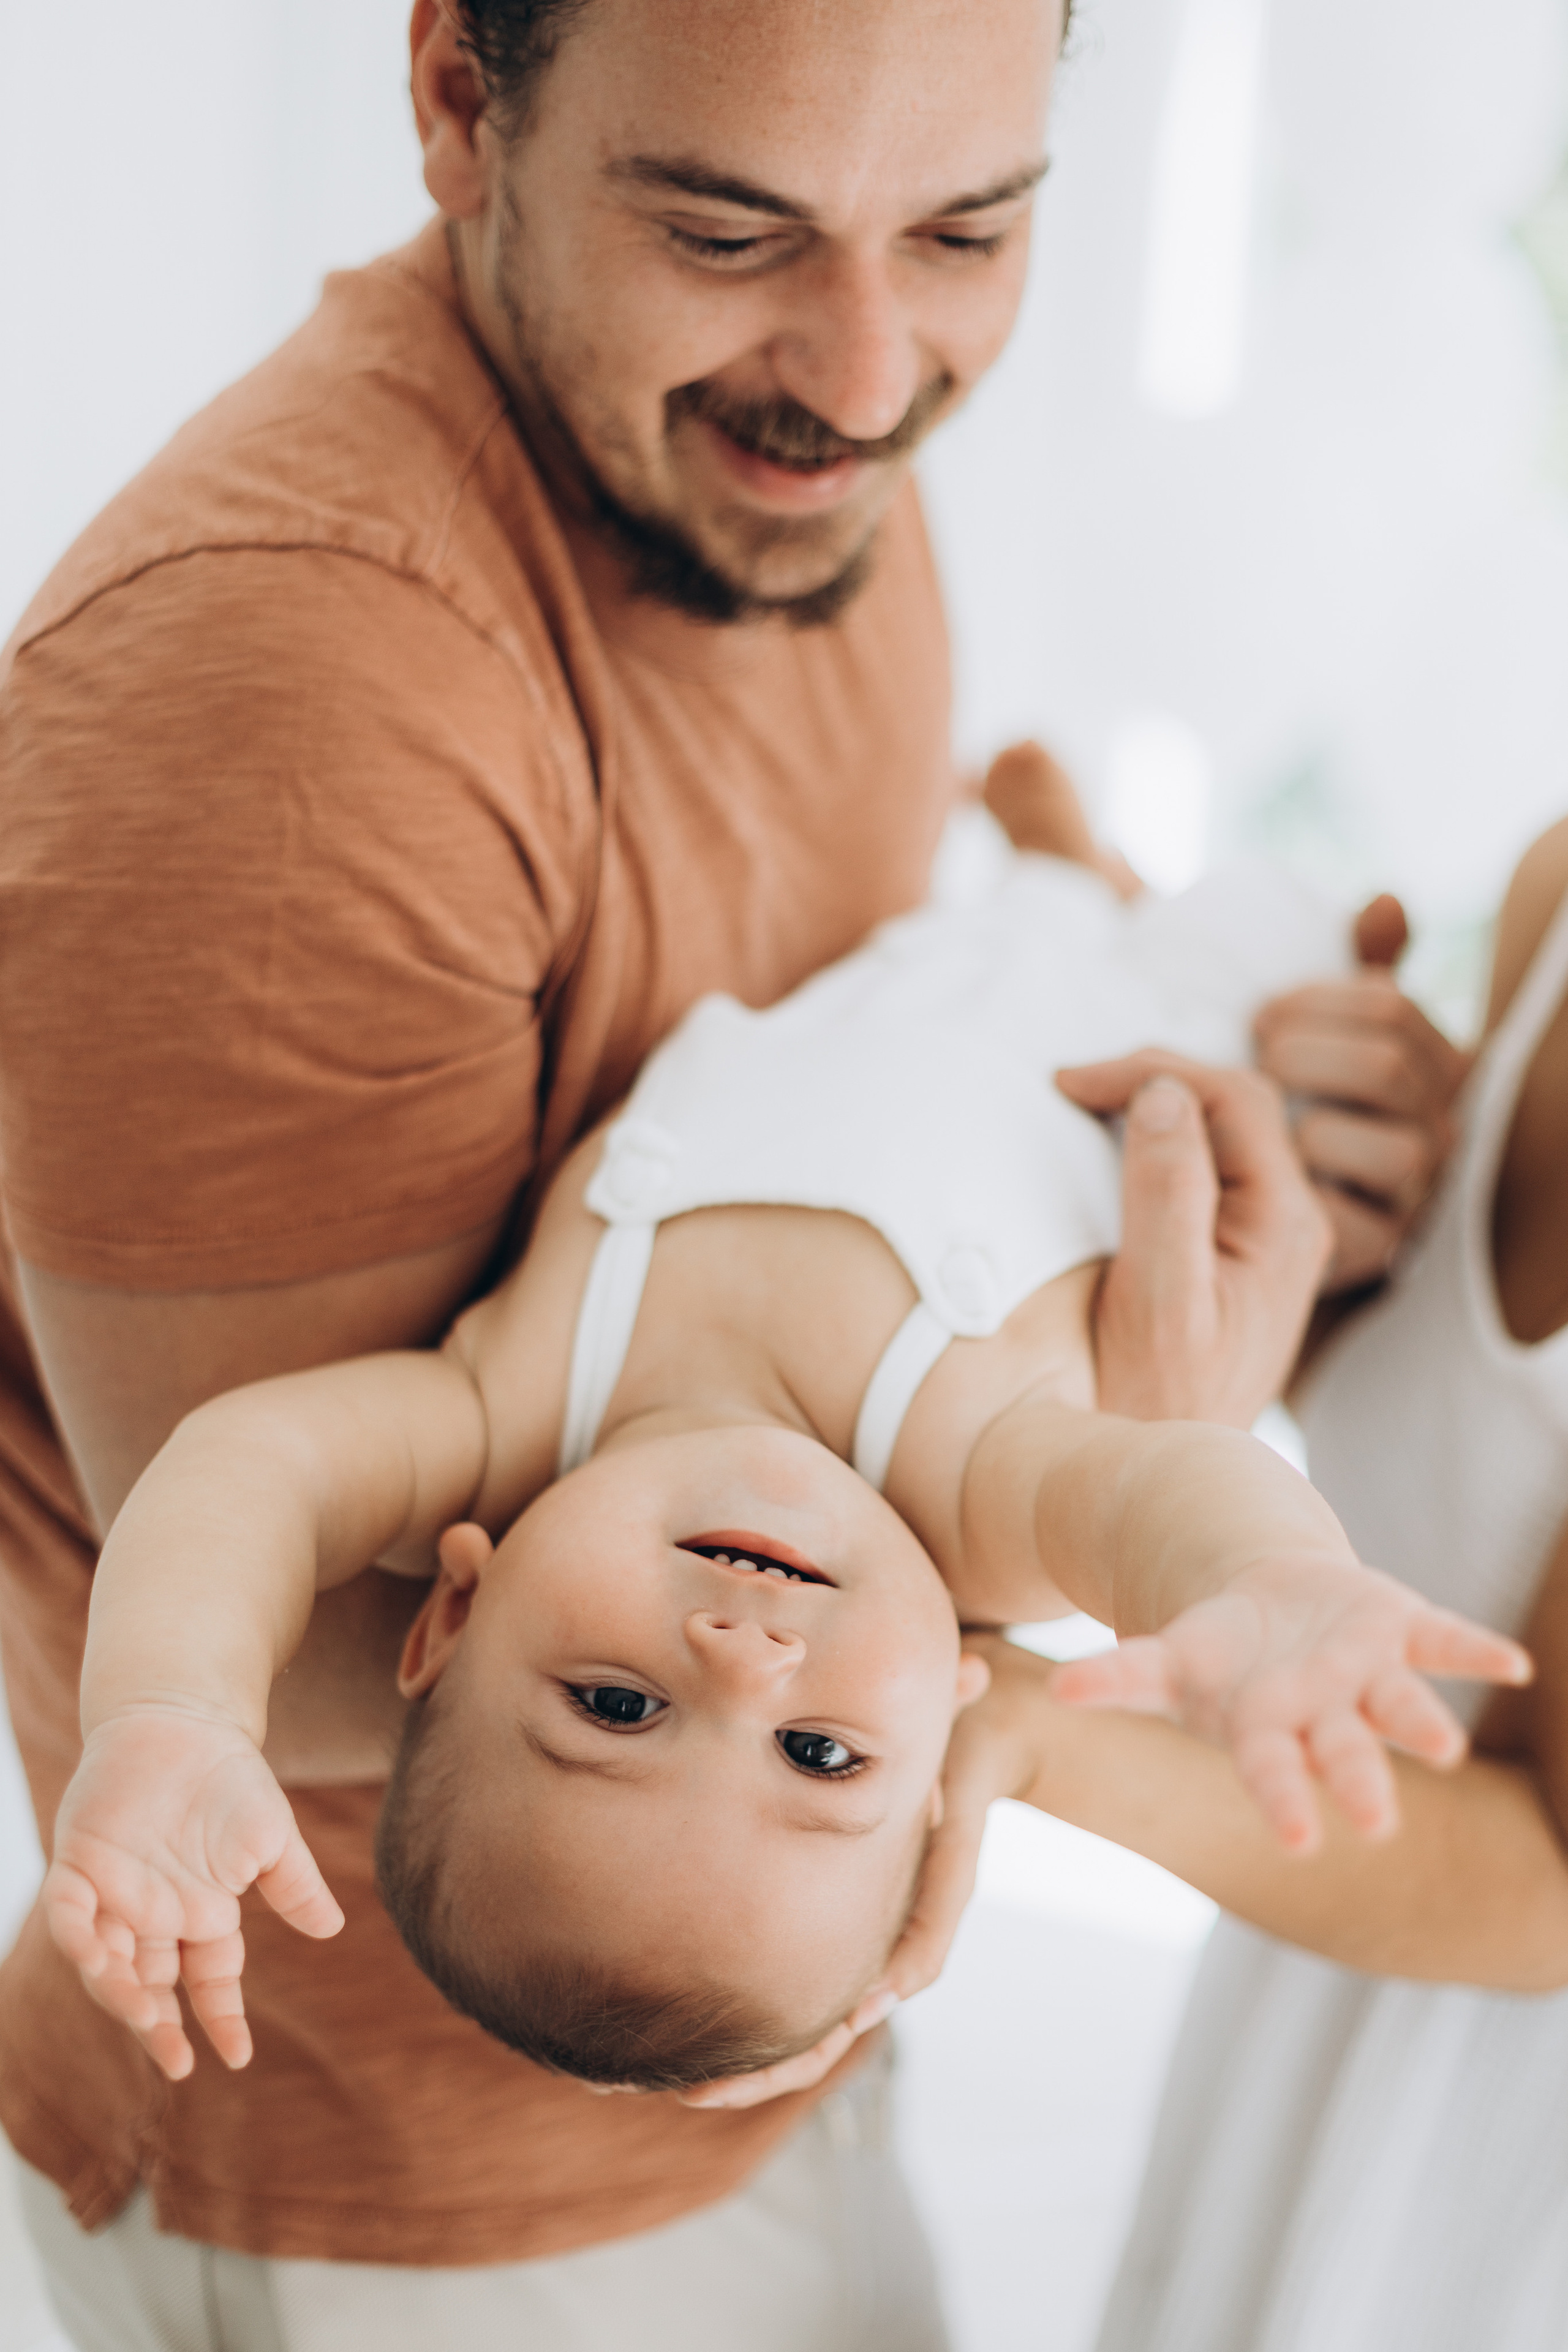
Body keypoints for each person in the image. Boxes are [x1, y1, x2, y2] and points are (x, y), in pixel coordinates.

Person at [0, 1, 1455, 2345]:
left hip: (782, 2056)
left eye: (972, 225)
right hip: (420, 2200)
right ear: (464, 102)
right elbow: (287, 1597)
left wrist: (1146, 1010)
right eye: (728, 226)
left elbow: (867, 1014)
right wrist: (1177, 1519)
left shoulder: (783, 453)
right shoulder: (286, 709)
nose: (873, 369)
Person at [42, 840, 1525, 2099]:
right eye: (823, 1758)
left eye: (614, 1706)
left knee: (1012, 869)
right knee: (1294, 925)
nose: (747, 1664)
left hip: (935, 940)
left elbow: (250, 1464)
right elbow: (1154, 1499)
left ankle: (1047, 842)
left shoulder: (498, 1413)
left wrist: (172, 1705)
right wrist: (1267, 1581)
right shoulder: (975, 1492)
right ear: (947, 1713)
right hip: (1177, 1028)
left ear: (449, 1616)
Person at [812, 816, 1568, 2348]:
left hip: (1492, 2166)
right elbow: (1457, 1483)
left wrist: (1018, 1718)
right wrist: (1347, 1227)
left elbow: (1552, 1886)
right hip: (1302, 1986)